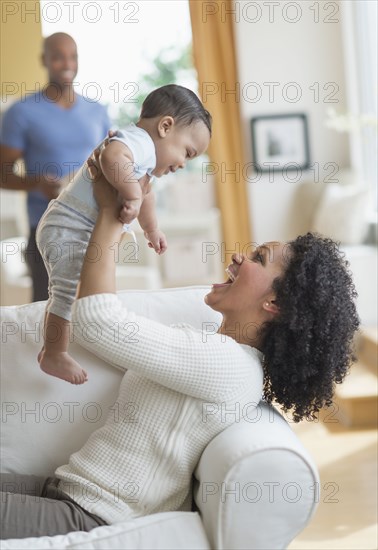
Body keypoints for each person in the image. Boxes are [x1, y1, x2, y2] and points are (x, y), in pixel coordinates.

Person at [0, 163, 360, 540]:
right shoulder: (210, 347)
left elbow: (97, 321)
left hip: (89, 515)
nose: (240, 257)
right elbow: (93, 325)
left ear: (275, 302)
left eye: (258, 259)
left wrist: (110, 215)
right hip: (64, 490)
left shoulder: (229, 366)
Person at [36, 84, 212, 385]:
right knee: (65, 292)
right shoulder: (138, 142)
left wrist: (152, 228)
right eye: (187, 152)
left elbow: (148, 197)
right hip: (68, 225)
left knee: (78, 289)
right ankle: (52, 352)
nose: (182, 164)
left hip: (75, 228)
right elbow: (112, 156)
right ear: (166, 126)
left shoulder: (144, 162)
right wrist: (131, 194)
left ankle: (58, 344)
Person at [0, 32, 110, 302]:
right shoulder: (21, 112)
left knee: (97, 311)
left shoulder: (97, 111)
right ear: (44, 60)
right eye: (58, 57)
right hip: (46, 231)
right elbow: (3, 174)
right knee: (47, 316)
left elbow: (111, 163)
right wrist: (37, 183)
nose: (67, 63)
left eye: (72, 56)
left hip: (95, 229)